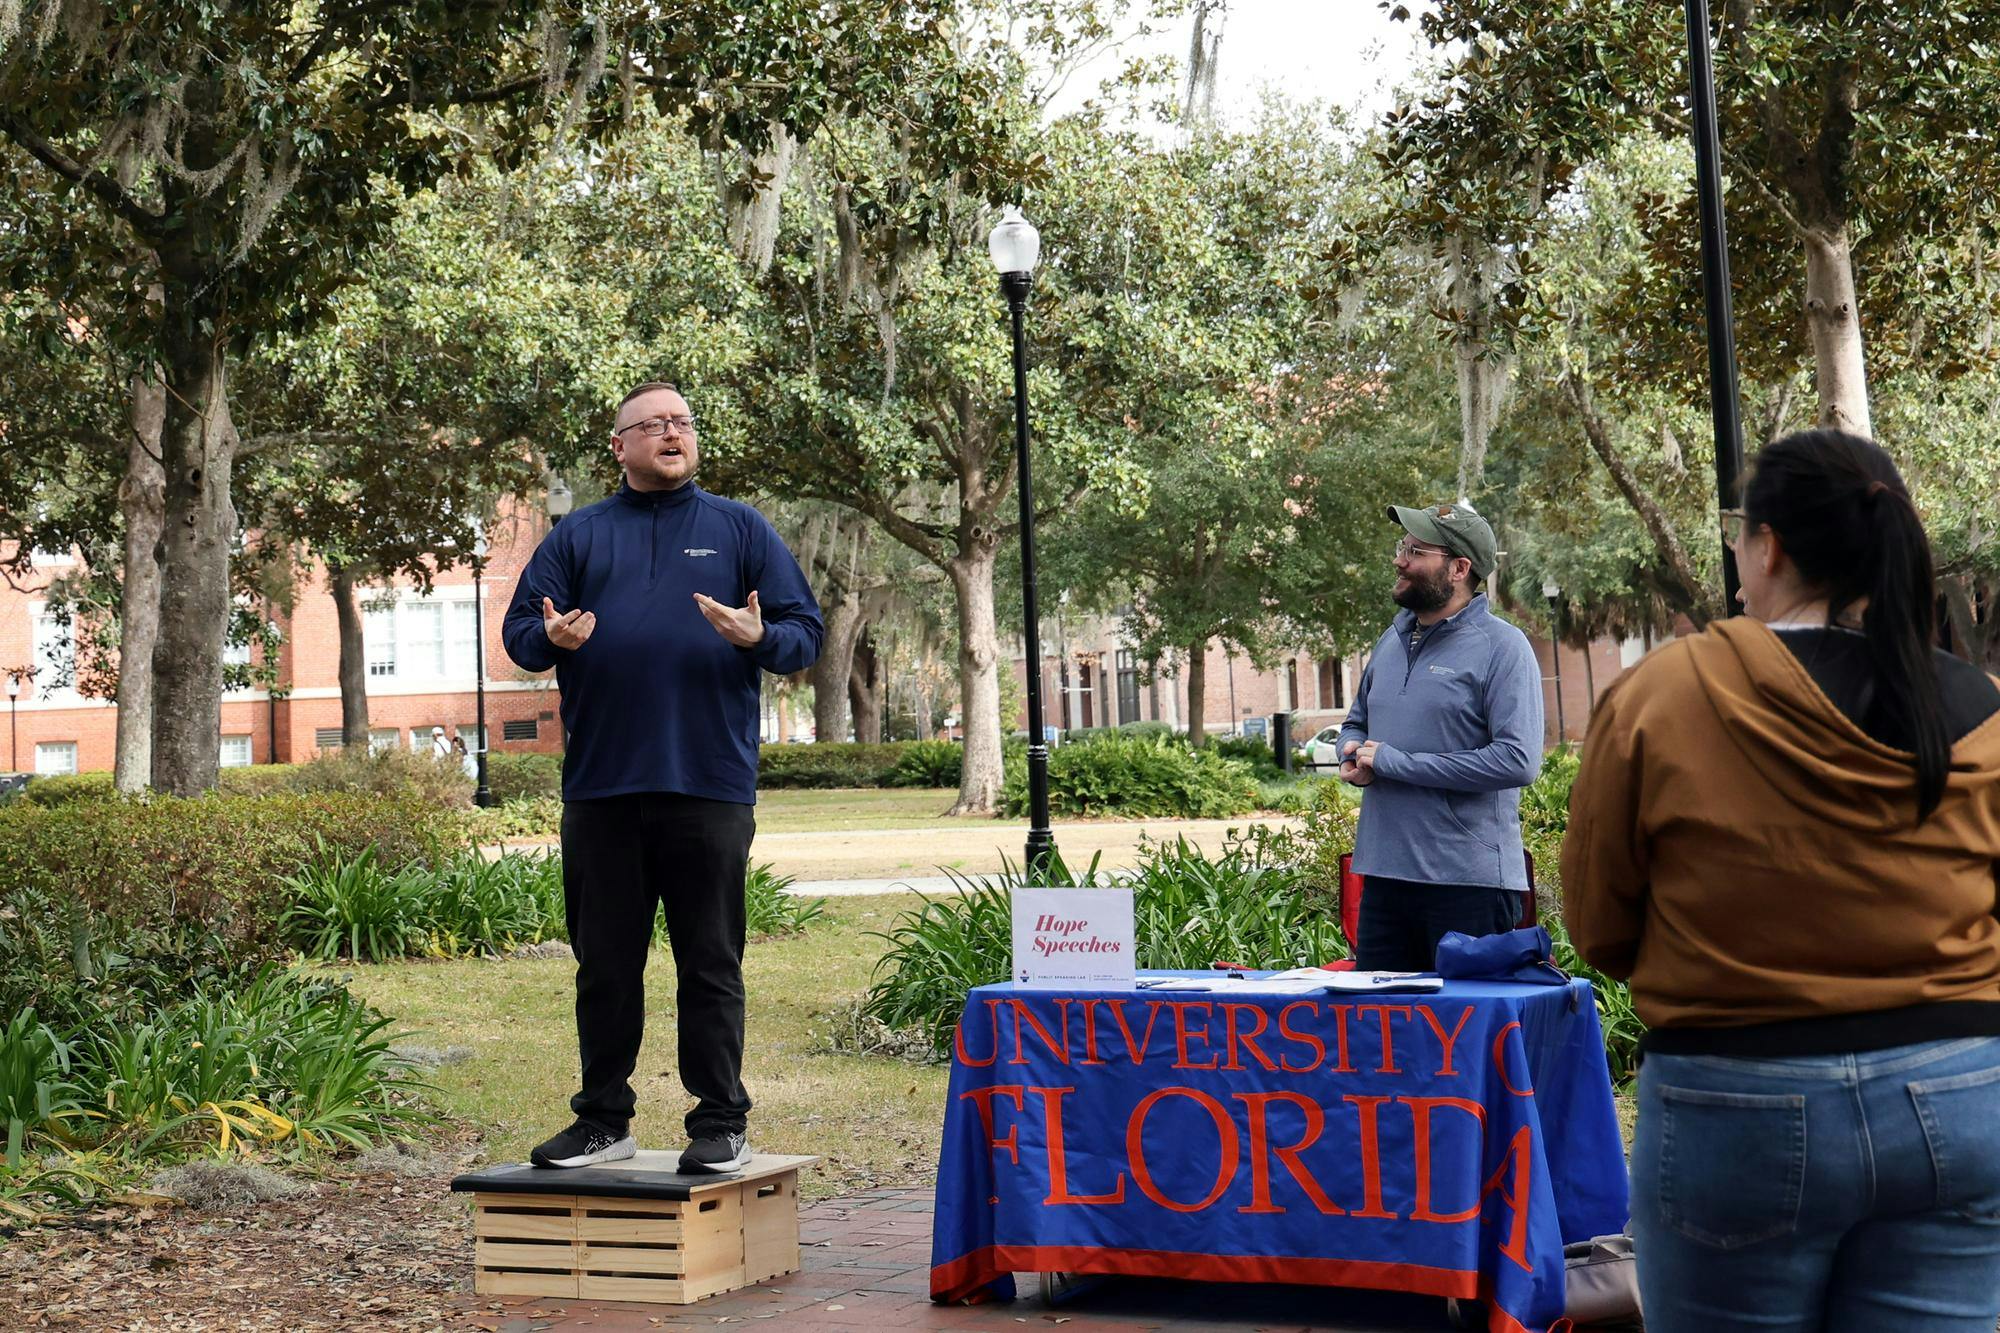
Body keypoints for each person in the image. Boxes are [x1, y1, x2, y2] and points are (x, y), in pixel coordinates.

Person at [1563, 430, 2000, 1331]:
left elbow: (1600, 926)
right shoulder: (1982, 707)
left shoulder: (1664, 693)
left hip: (1739, 1102)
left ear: (1769, 546)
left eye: (1739, 536)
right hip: (1962, 1098)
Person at [501, 380, 823, 1174]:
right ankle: (603, 1119)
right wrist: (554, 641)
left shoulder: (739, 528)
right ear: (620, 446)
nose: (672, 434)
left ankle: (720, 1119)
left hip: (707, 783)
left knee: (709, 960)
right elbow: (520, 634)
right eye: (653, 425)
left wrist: (758, 636)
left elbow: (803, 632)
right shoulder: (577, 536)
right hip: (603, 788)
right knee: (604, 965)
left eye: (682, 422)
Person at [1335, 500, 1543, 970]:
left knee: (1463, 1039)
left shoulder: (1503, 648)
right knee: (1382, 1036)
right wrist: (1349, 749)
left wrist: (1394, 762)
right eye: (1401, 546)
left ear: (1458, 568)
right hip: (1384, 880)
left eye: (1416, 551)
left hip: (1467, 886)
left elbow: (1517, 761)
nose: (1399, 559)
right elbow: (1356, 722)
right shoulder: (1390, 641)